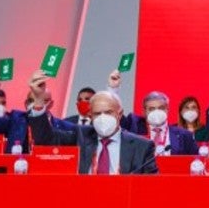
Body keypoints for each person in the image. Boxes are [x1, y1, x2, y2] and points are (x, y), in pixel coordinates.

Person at [25, 71, 158, 174]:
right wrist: (38, 100)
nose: (103, 117)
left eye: (108, 112)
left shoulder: (142, 146)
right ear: (90, 116)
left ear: (119, 114)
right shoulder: (80, 135)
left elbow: (150, 187)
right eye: (97, 113)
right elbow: (44, 139)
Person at [136, 91, 196, 155]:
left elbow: (195, 160)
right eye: (151, 109)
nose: (157, 112)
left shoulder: (185, 135)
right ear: (144, 112)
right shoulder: (136, 135)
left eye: (161, 108)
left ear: (167, 109)